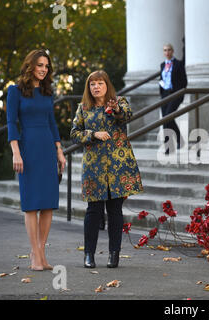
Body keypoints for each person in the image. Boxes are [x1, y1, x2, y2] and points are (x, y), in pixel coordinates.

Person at [71, 70, 143, 268]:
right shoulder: (83, 108)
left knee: (115, 211)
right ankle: (89, 255)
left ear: (106, 85)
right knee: (93, 211)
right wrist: (93, 134)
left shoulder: (119, 101)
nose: (96, 87)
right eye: (92, 84)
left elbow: (126, 116)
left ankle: (114, 254)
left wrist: (117, 109)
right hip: (94, 167)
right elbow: (74, 133)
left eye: (99, 83)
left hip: (118, 166)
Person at [6, 49, 66, 271]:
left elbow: (52, 123)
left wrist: (59, 151)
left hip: (47, 147)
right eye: (40, 65)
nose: (43, 69)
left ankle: (40, 251)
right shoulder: (15, 91)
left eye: (46, 66)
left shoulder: (48, 92)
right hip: (28, 148)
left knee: (48, 204)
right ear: (30, 65)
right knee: (31, 204)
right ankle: (35, 255)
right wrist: (16, 151)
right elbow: (12, 122)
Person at [159, 43, 188, 154]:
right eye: (165, 50)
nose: (167, 52)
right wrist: (162, 94)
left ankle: (179, 139)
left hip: (175, 94)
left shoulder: (178, 64)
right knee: (165, 120)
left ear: (173, 51)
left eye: (169, 50)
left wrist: (180, 92)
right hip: (165, 95)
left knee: (168, 116)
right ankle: (168, 147)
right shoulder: (162, 65)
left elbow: (184, 81)